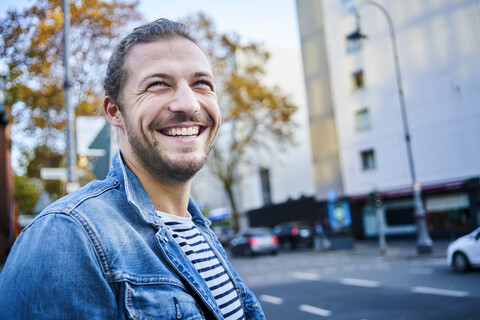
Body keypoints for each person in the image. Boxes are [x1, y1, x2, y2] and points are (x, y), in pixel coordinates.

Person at [0, 19, 265, 320]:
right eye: (158, 84)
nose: (188, 103)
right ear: (114, 112)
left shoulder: (199, 233)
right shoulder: (66, 237)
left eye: (201, 83)